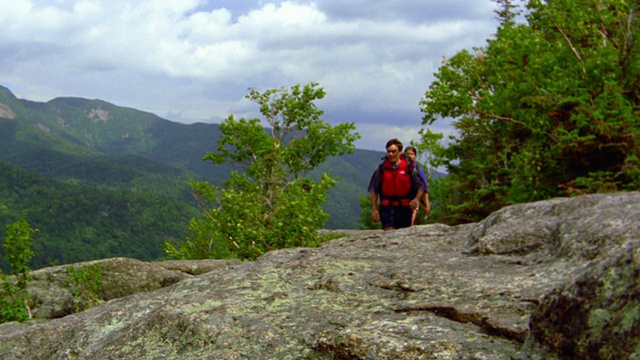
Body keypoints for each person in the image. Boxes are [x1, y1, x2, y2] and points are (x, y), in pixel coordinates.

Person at [368, 138, 426, 230]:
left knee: (403, 235)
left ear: (400, 152)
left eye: (393, 151)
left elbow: (421, 185)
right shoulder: (382, 169)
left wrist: (417, 199)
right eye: (389, 151)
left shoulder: (409, 168)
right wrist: (374, 209)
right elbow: (374, 190)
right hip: (386, 208)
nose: (391, 154)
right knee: (389, 233)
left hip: (404, 208)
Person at [405, 146, 431, 225]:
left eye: (412, 154)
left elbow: (424, 187)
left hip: (414, 198)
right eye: (407, 154)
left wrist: (427, 205)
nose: (409, 156)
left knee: (410, 220)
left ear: (415, 156)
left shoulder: (418, 170)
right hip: (402, 197)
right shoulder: (401, 168)